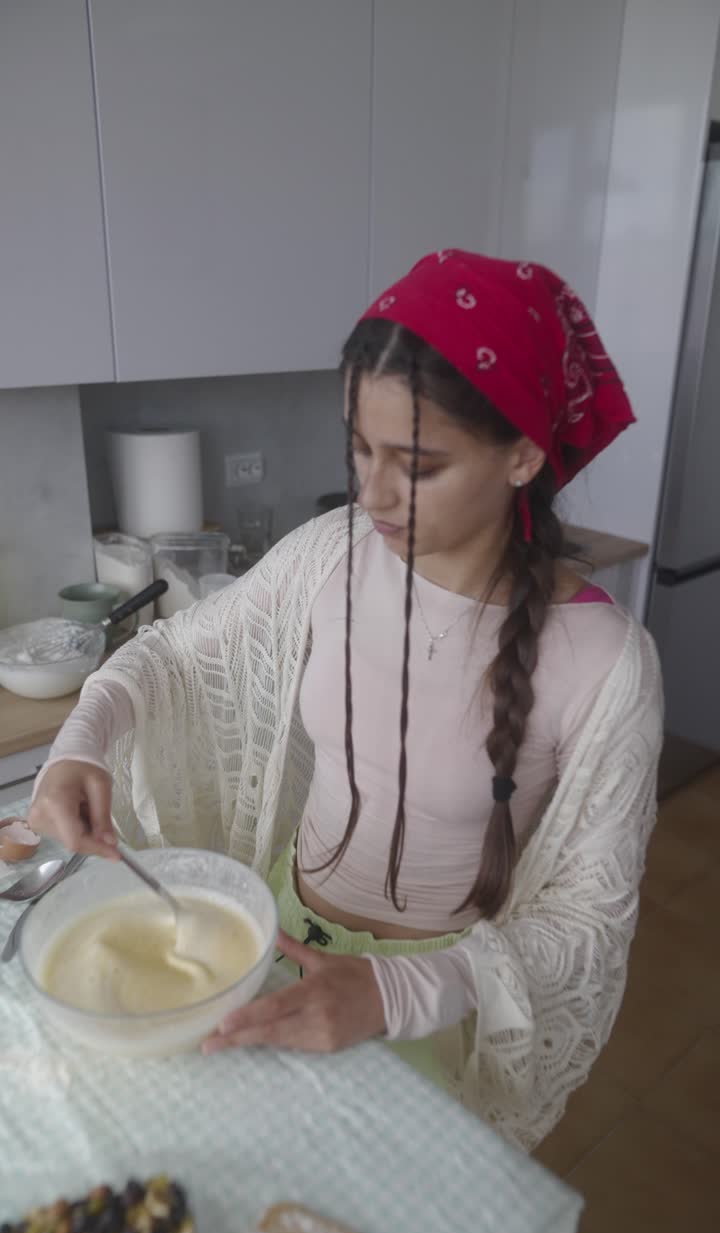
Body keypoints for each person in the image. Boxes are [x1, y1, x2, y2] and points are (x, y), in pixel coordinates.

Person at [30, 250, 663, 1152]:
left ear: (523, 453)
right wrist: (82, 744)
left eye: (417, 464)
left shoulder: (606, 661)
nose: (372, 495)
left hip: (427, 1002)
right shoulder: (332, 553)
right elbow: (169, 659)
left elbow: (586, 922)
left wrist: (388, 994)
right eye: (358, 450)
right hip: (271, 937)